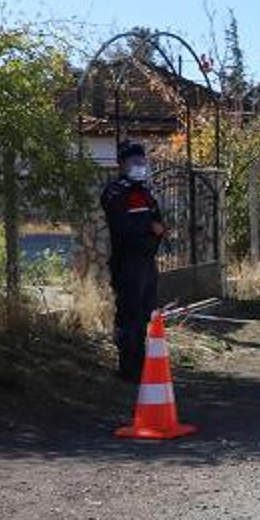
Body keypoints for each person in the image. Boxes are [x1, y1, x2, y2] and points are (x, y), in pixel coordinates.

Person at [100, 140, 166, 382]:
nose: (139, 165)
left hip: (147, 262)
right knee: (129, 314)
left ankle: (141, 365)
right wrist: (150, 229)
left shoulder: (145, 192)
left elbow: (158, 222)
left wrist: (154, 230)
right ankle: (128, 368)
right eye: (134, 161)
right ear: (121, 164)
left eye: (142, 161)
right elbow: (124, 229)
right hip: (127, 263)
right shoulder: (116, 191)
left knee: (145, 314)